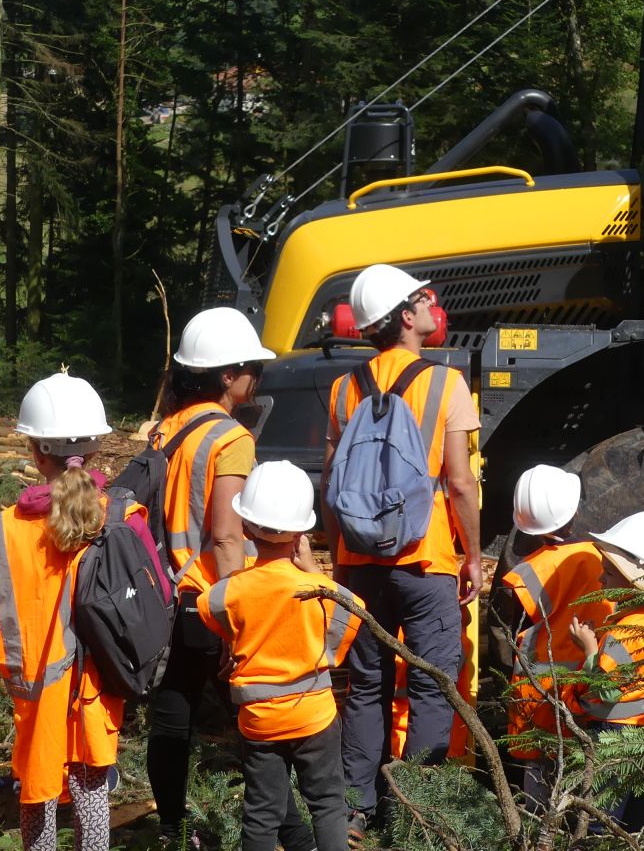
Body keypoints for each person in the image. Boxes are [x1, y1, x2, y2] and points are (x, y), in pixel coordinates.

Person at [323, 263, 482, 835]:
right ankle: (415, 813)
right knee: (432, 685)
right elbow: (460, 482)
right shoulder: (447, 383)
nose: (429, 308)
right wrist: (471, 553)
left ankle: (356, 811)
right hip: (426, 558)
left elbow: (332, 481)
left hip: (359, 565)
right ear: (407, 316)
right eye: (421, 301)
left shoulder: (345, 389)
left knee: (365, 686)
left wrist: (341, 553)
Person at [148, 306, 315, 851]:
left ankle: (169, 828)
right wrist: (236, 613)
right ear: (227, 375)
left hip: (163, 592)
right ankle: (293, 834)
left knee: (172, 717)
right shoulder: (230, 438)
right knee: (258, 723)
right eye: (253, 369)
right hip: (208, 597)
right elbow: (225, 535)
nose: (257, 378)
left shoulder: (165, 428)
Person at [0, 371, 119, 851]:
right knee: (92, 784)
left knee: (38, 793)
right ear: (96, 450)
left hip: (37, 691)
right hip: (97, 685)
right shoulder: (119, 515)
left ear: (35, 453)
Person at [198, 460, 362, 851]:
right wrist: (313, 572)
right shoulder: (319, 590)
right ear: (302, 532)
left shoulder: (228, 592)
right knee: (327, 805)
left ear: (245, 526)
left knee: (262, 812)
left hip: (259, 721)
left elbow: (211, 609)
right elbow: (354, 611)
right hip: (314, 715)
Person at [495, 465, 612, 801]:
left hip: (541, 699)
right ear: (574, 510)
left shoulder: (525, 574)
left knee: (539, 794)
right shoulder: (602, 557)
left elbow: (508, 641)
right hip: (595, 686)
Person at [567, 510, 644, 826]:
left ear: (635, 579)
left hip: (615, 736)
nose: (600, 579)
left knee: (598, 821)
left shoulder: (623, 634)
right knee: (636, 822)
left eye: (609, 572)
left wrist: (590, 647)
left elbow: (606, 690)